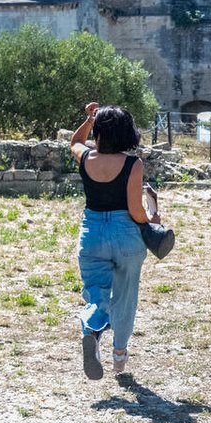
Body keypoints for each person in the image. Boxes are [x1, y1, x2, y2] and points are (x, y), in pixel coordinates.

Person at [70, 102, 160, 380]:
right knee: (125, 297)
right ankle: (119, 355)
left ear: (99, 132)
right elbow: (135, 211)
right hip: (125, 237)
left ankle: (92, 327)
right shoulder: (133, 164)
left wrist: (89, 119)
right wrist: (153, 213)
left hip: (93, 234)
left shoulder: (86, 158)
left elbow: (74, 141)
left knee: (97, 293)